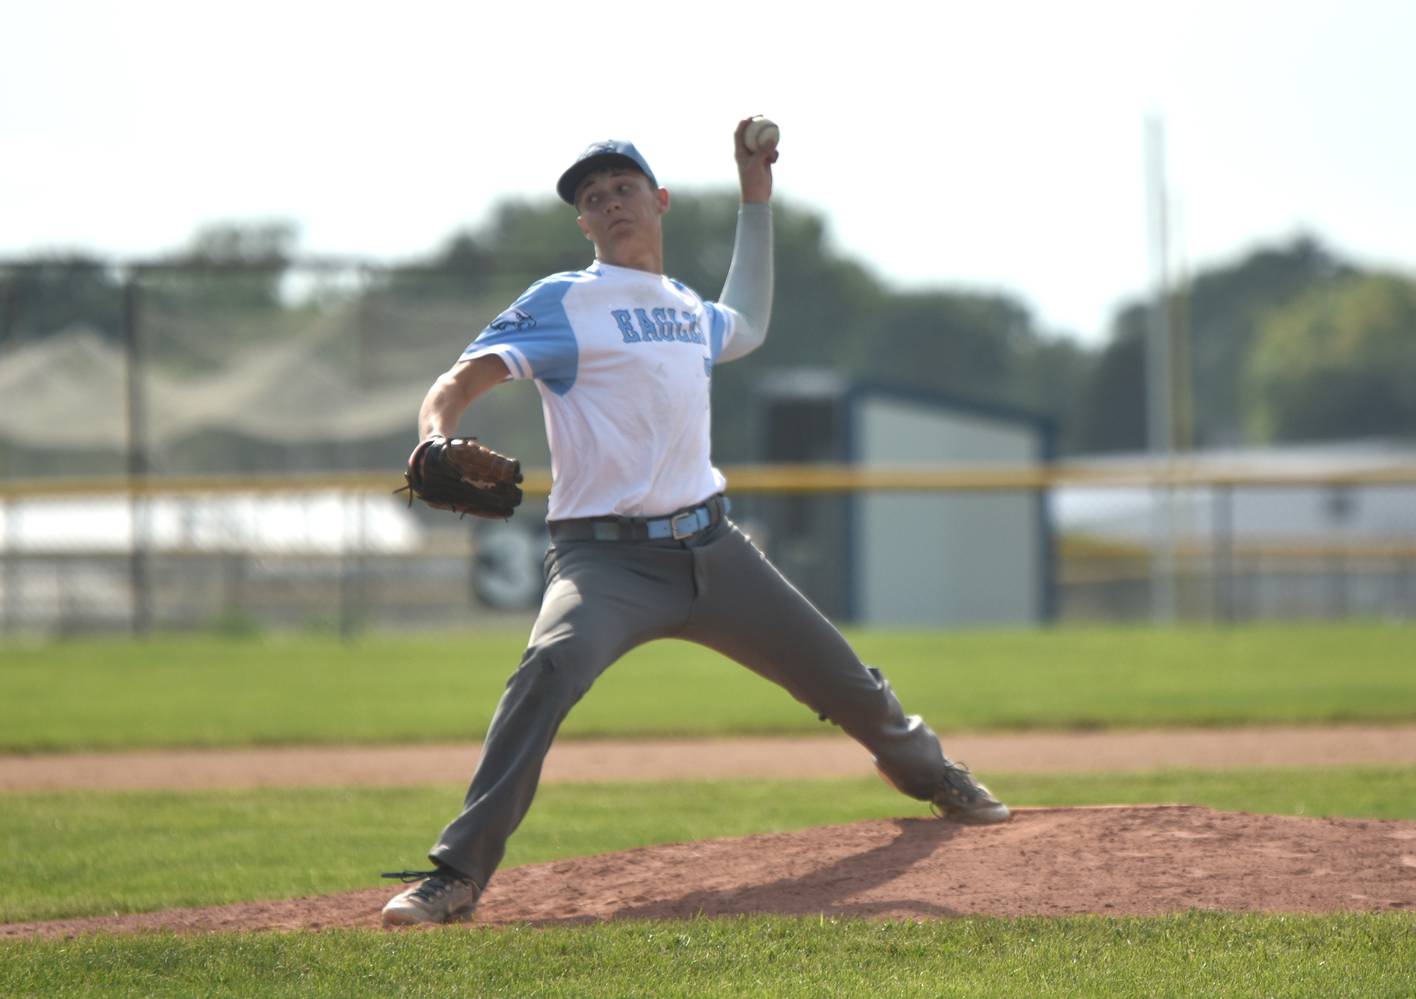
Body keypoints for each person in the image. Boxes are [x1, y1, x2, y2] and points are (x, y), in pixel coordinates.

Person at [380, 118, 1011, 927]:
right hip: (603, 564)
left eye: (623, 188)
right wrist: (434, 434)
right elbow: (461, 377)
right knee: (545, 673)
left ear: (660, 201)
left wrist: (757, 192)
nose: (609, 203)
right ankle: (457, 871)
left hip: (715, 550)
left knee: (842, 677)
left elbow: (744, 318)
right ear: (583, 222)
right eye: (593, 197)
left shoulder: (685, 309)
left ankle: (931, 774)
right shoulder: (566, 301)